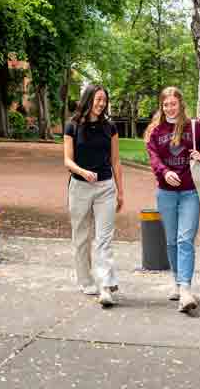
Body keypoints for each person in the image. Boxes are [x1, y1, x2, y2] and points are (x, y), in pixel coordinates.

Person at [144, 86, 200, 313]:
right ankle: (176, 281)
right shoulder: (156, 131)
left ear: (180, 104)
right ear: (162, 106)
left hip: (191, 191)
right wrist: (165, 172)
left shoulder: (194, 127)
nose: (169, 108)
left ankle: (185, 289)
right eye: (165, 104)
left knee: (185, 239)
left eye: (173, 104)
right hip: (165, 192)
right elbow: (154, 159)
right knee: (172, 241)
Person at [63, 84, 124, 307]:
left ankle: (105, 285)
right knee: (81, 237)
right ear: (88, 99)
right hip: (79, 187)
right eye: (98, 99)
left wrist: (120, 192)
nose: (101, 104)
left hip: (105, 187)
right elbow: (67, 160)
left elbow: (116, 161)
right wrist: (82, 172)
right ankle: (85, 280)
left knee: (104, 238)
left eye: (104, 100)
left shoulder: (110, 127)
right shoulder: (72, 126)